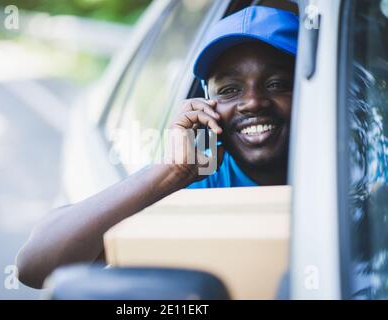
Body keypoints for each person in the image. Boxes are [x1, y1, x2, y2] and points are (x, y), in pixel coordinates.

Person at [16, 5, 299, 289]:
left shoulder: (342, 171)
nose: (252, 102)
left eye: (278, 83)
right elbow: (34, 266)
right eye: (228, 90)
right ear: (205, 106)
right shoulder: (197, 185)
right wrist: (172, 171)